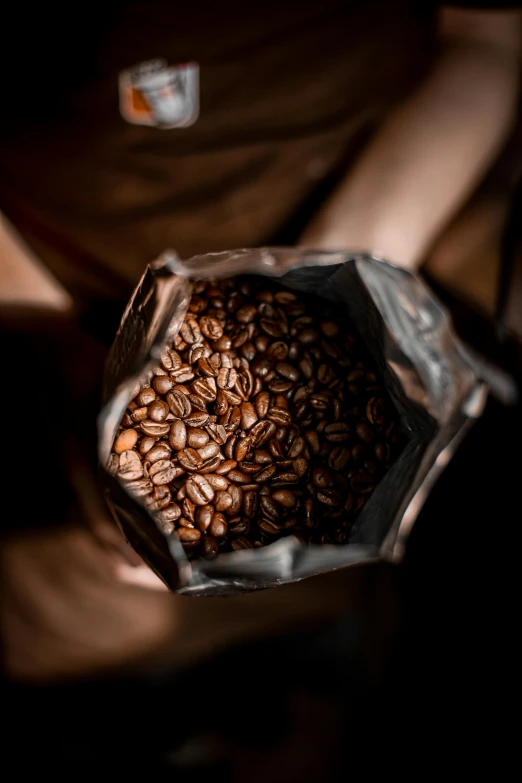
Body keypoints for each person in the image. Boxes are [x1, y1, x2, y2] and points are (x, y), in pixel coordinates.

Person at [0, 2, 520, 758]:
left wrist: (345, 268)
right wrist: (57, 350)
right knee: (78, 631)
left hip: (373, 214)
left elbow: (489, 38)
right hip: (58, 293)